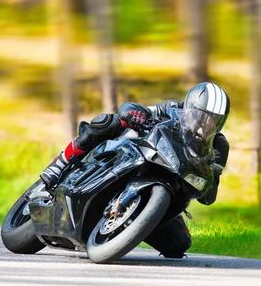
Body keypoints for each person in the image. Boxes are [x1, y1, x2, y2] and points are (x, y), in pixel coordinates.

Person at [40, 82, 230, 258]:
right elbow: (132, 108)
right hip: (139, 157)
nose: (207, 122)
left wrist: (206, 183)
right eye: (203, 115)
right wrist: (135, 114)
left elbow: (211, 189)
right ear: (190, 106)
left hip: (170, 188)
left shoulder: (219, 145)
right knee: (108, 121)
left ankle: (126, 227)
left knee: (178, 245)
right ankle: (60, 164)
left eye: (214, 119)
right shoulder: (172, 109)